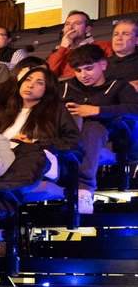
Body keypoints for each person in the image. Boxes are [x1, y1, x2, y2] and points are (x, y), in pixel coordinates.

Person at [57, 44, 138, 214]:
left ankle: (85, 189)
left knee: (93, 127)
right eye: (78, 70)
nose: (83, 75)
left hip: (111, 136)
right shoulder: (65, 87)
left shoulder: (118, 86)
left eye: (88, 68)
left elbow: (134, 109)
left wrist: (97, 110)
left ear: (103, 65)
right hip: (69, 133)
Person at [0, 64, 80, 195]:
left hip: (37, 159)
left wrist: (35, 143)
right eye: (27, 80)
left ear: (48, 88)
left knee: (26, 155)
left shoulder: (56, 111)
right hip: (3, 159)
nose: (30, 85)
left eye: (39, 82)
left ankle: (1, 191)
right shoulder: (5, 111)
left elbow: (73, 140)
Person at [45, 10, 104, 78]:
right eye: (67, 24)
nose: (70, 27)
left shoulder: (102, 46)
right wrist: (62, 47)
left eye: (77, 23)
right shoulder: (59, 53)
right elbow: (48, 76)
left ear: (87, 29)